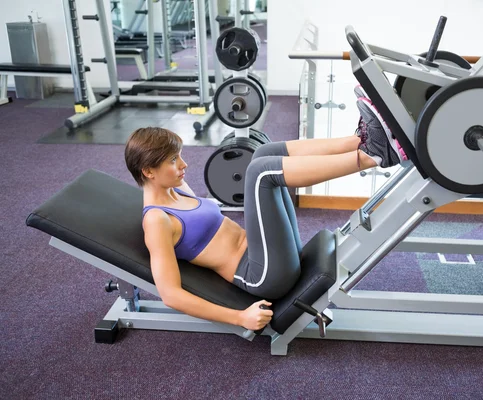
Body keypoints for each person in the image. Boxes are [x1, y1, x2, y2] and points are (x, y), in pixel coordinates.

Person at [124, 87, 408, 331]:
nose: (184, 165)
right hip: (262, 275)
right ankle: (372, 157)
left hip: (271, 252)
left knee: (262, 153)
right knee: (260, 172)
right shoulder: (157, 221)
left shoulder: (175, 190)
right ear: (149, 171)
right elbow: (171, 295)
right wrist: (240, 317)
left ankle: (364, 141)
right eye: (174, 160)